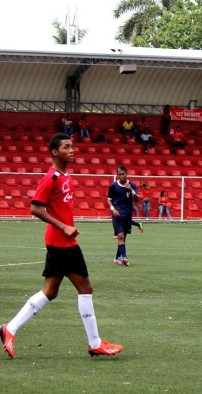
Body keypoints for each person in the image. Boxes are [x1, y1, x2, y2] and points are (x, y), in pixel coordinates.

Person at [0, 133, 123, 359]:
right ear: (55, 152)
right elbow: (35, 208)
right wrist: (64, 227)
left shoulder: (65, 176)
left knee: (50, 291)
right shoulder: (52, 178)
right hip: (62, 242)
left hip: (57, 241)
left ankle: (10, 328)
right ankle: (95, 343)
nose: (72, 150)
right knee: (85, 288)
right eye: (66, 147)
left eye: (72, 146)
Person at [107, 166, 139, 267]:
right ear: (117, 175)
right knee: (120, 236)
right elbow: (109, 199)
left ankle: (117, 258)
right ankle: (125, 258)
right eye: (119, 174)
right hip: (117, 215)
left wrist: (131, 190)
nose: (121, 176)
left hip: (127, 215)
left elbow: (137, 199)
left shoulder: (132, 185)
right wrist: (113, 209)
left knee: (123, 238)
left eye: (123, 174)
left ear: (126, 173)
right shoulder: (113, 186)